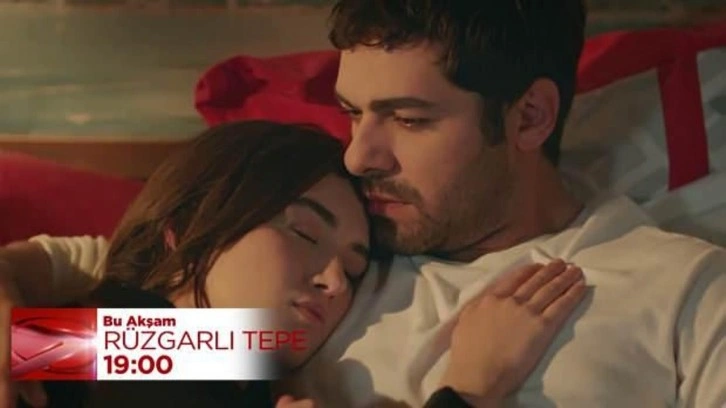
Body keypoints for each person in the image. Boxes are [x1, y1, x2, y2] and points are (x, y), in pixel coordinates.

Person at [1, 0, 725, 406]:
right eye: (352, 114)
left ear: (530, 117)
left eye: (408, 119)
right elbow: (128, 276)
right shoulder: (264, 319)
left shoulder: (686, 294)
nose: (358, 157)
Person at [2, 120, 587, 408]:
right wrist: (472, 389)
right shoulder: (110, 340)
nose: (333, 282)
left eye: (353, 271)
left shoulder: (234, 367)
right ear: (189, 227)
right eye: (304, 232)